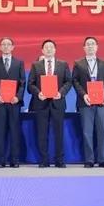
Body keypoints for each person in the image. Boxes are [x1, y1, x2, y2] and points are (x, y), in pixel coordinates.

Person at [28, 40, 72, 168]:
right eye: (46, 47)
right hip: (41, 103)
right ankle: (44, 160)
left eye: (51, 47)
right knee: (42, 133)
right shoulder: (36, 65)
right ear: (42, 50)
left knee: (59, 132)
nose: (48, 49)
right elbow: (30, 84)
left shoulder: (63, 64)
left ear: (55, 50)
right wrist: (38, 93)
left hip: (58, 102)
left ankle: (59, 160)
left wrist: (61, 93)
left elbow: (68, 82)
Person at [72, 36, 104, 168]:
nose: (90, 46)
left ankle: (103, 159)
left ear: (97, 47)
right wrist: (84, 95)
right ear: (84, 48)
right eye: (88, 44)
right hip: (86, 102)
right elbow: (75, 81)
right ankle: (89, 159)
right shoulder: (78, 63)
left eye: (92, 44)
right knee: (87, 132)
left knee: (102, 132)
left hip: (101, 102)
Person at [0, 37, 25, 168]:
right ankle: (0, 160)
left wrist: (18, 97)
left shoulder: (19, 63)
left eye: (8, 44)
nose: (6, 46)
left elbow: (22, 83)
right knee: (0, 132)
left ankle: (15, 160)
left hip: (14, 103)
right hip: (0, 103)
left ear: (13, 47)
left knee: (14, 131)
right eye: (3, 44)